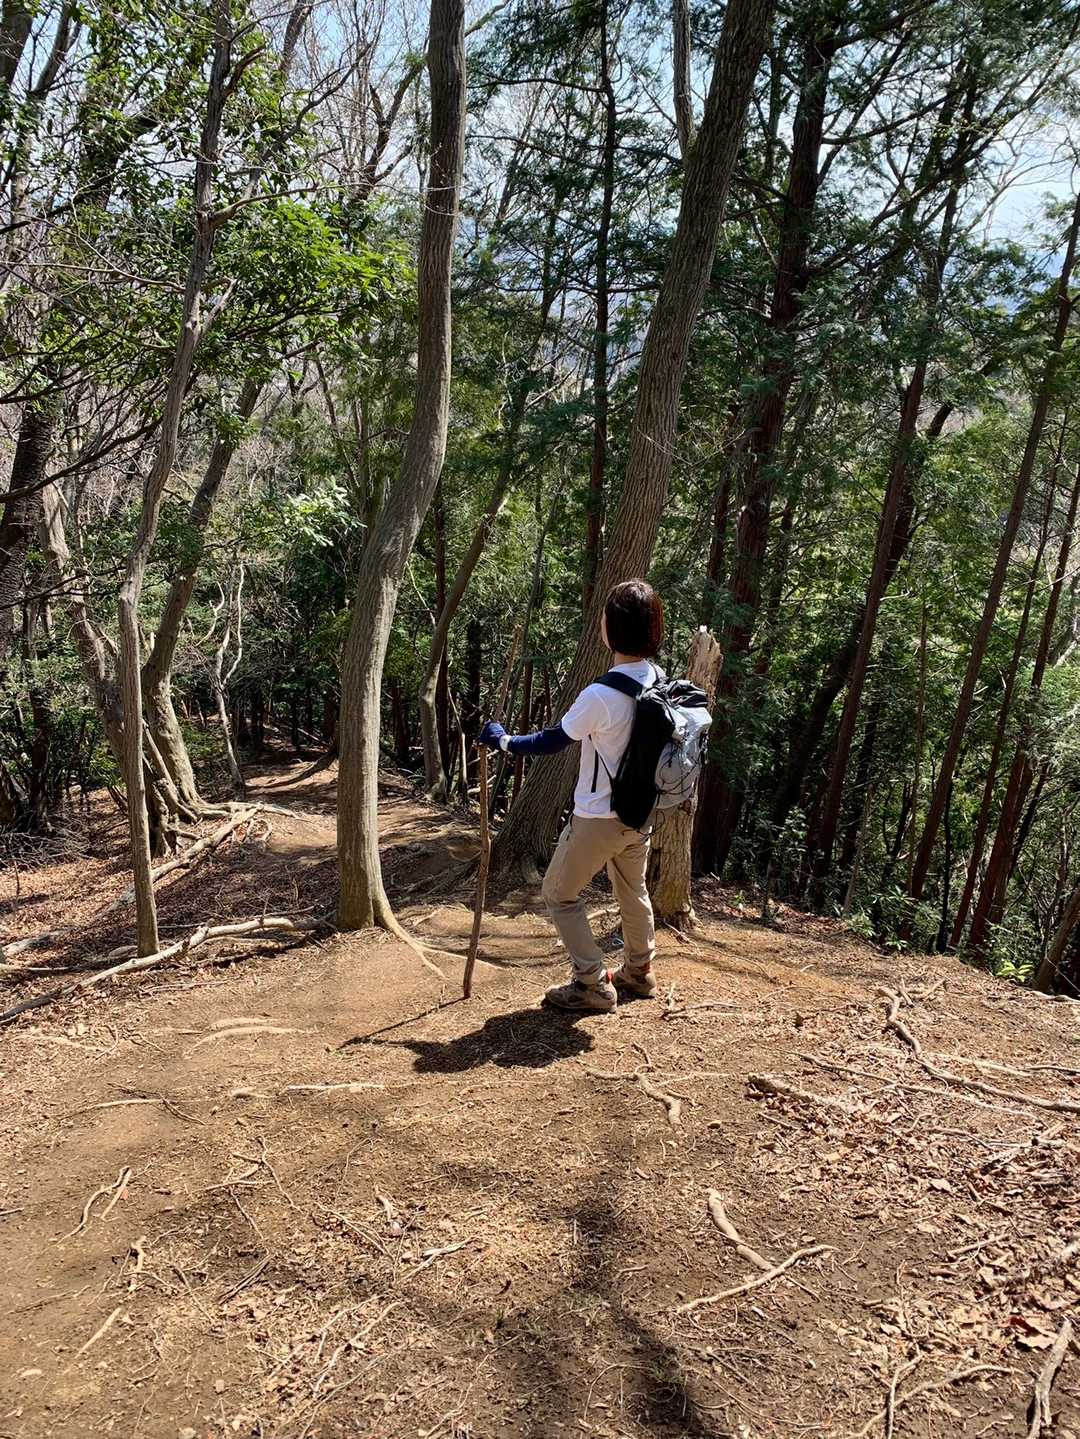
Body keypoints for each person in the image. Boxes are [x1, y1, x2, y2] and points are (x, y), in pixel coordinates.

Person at [479, 578, 662, 1014]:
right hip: (642, 812)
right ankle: (639, 971)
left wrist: (503, 740)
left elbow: (551, 741)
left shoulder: (600, 695)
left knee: (558, 893)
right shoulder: (658, 680)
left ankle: (591, 983)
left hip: (598, 818)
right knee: (632, 888)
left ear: (611, 629)